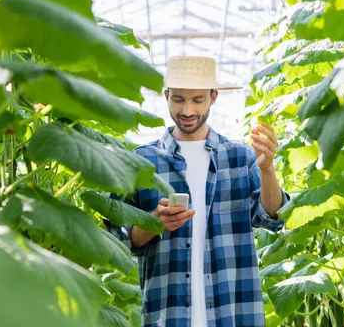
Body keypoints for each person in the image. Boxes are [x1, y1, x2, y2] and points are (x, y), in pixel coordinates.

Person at [106, 56, 289, 327]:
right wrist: (152, 224)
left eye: (198, 100)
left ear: (213, 97)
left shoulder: (240, 157)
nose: (188, 110)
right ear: (166, 96)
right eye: (178, 99)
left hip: (234, 313)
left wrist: (267, 169)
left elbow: (274, 217)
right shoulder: (140, 162)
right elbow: (114, 239)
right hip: (168, 315)